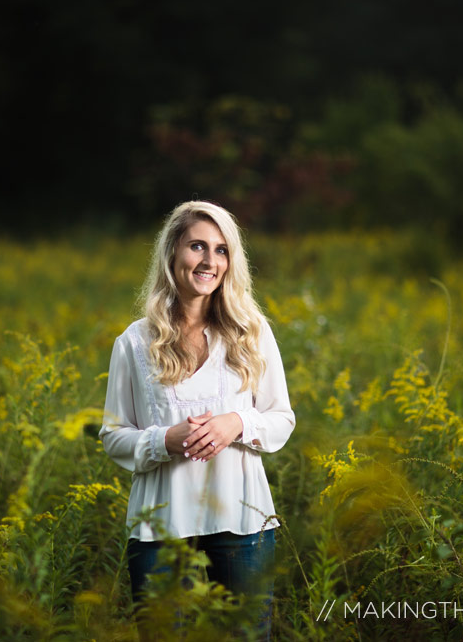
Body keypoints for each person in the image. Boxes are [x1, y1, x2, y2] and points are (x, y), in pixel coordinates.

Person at [99, 200, 295, 638]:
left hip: (243, 522)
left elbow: (281, 418)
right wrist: (163, 439)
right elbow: (113, 436)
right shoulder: (134, 343)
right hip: (160, 527)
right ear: (172, 253)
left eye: (222, 250)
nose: (210, 261)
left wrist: (236, 424)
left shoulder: (252, 332)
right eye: (197, 246)